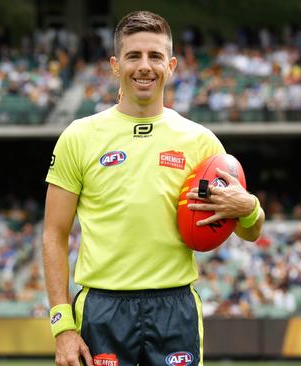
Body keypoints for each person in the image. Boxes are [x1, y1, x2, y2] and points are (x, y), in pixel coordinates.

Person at [43, 10, 265, 366]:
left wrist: (250, 207)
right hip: (102, 309)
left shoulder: (201, 143)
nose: (144, 66)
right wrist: (62, 326)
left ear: (172, 65)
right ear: (115, 65)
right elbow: (54, 233)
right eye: (133, 56)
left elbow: (250, 231)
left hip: (174, 308)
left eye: (155, 56)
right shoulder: (79, 137)